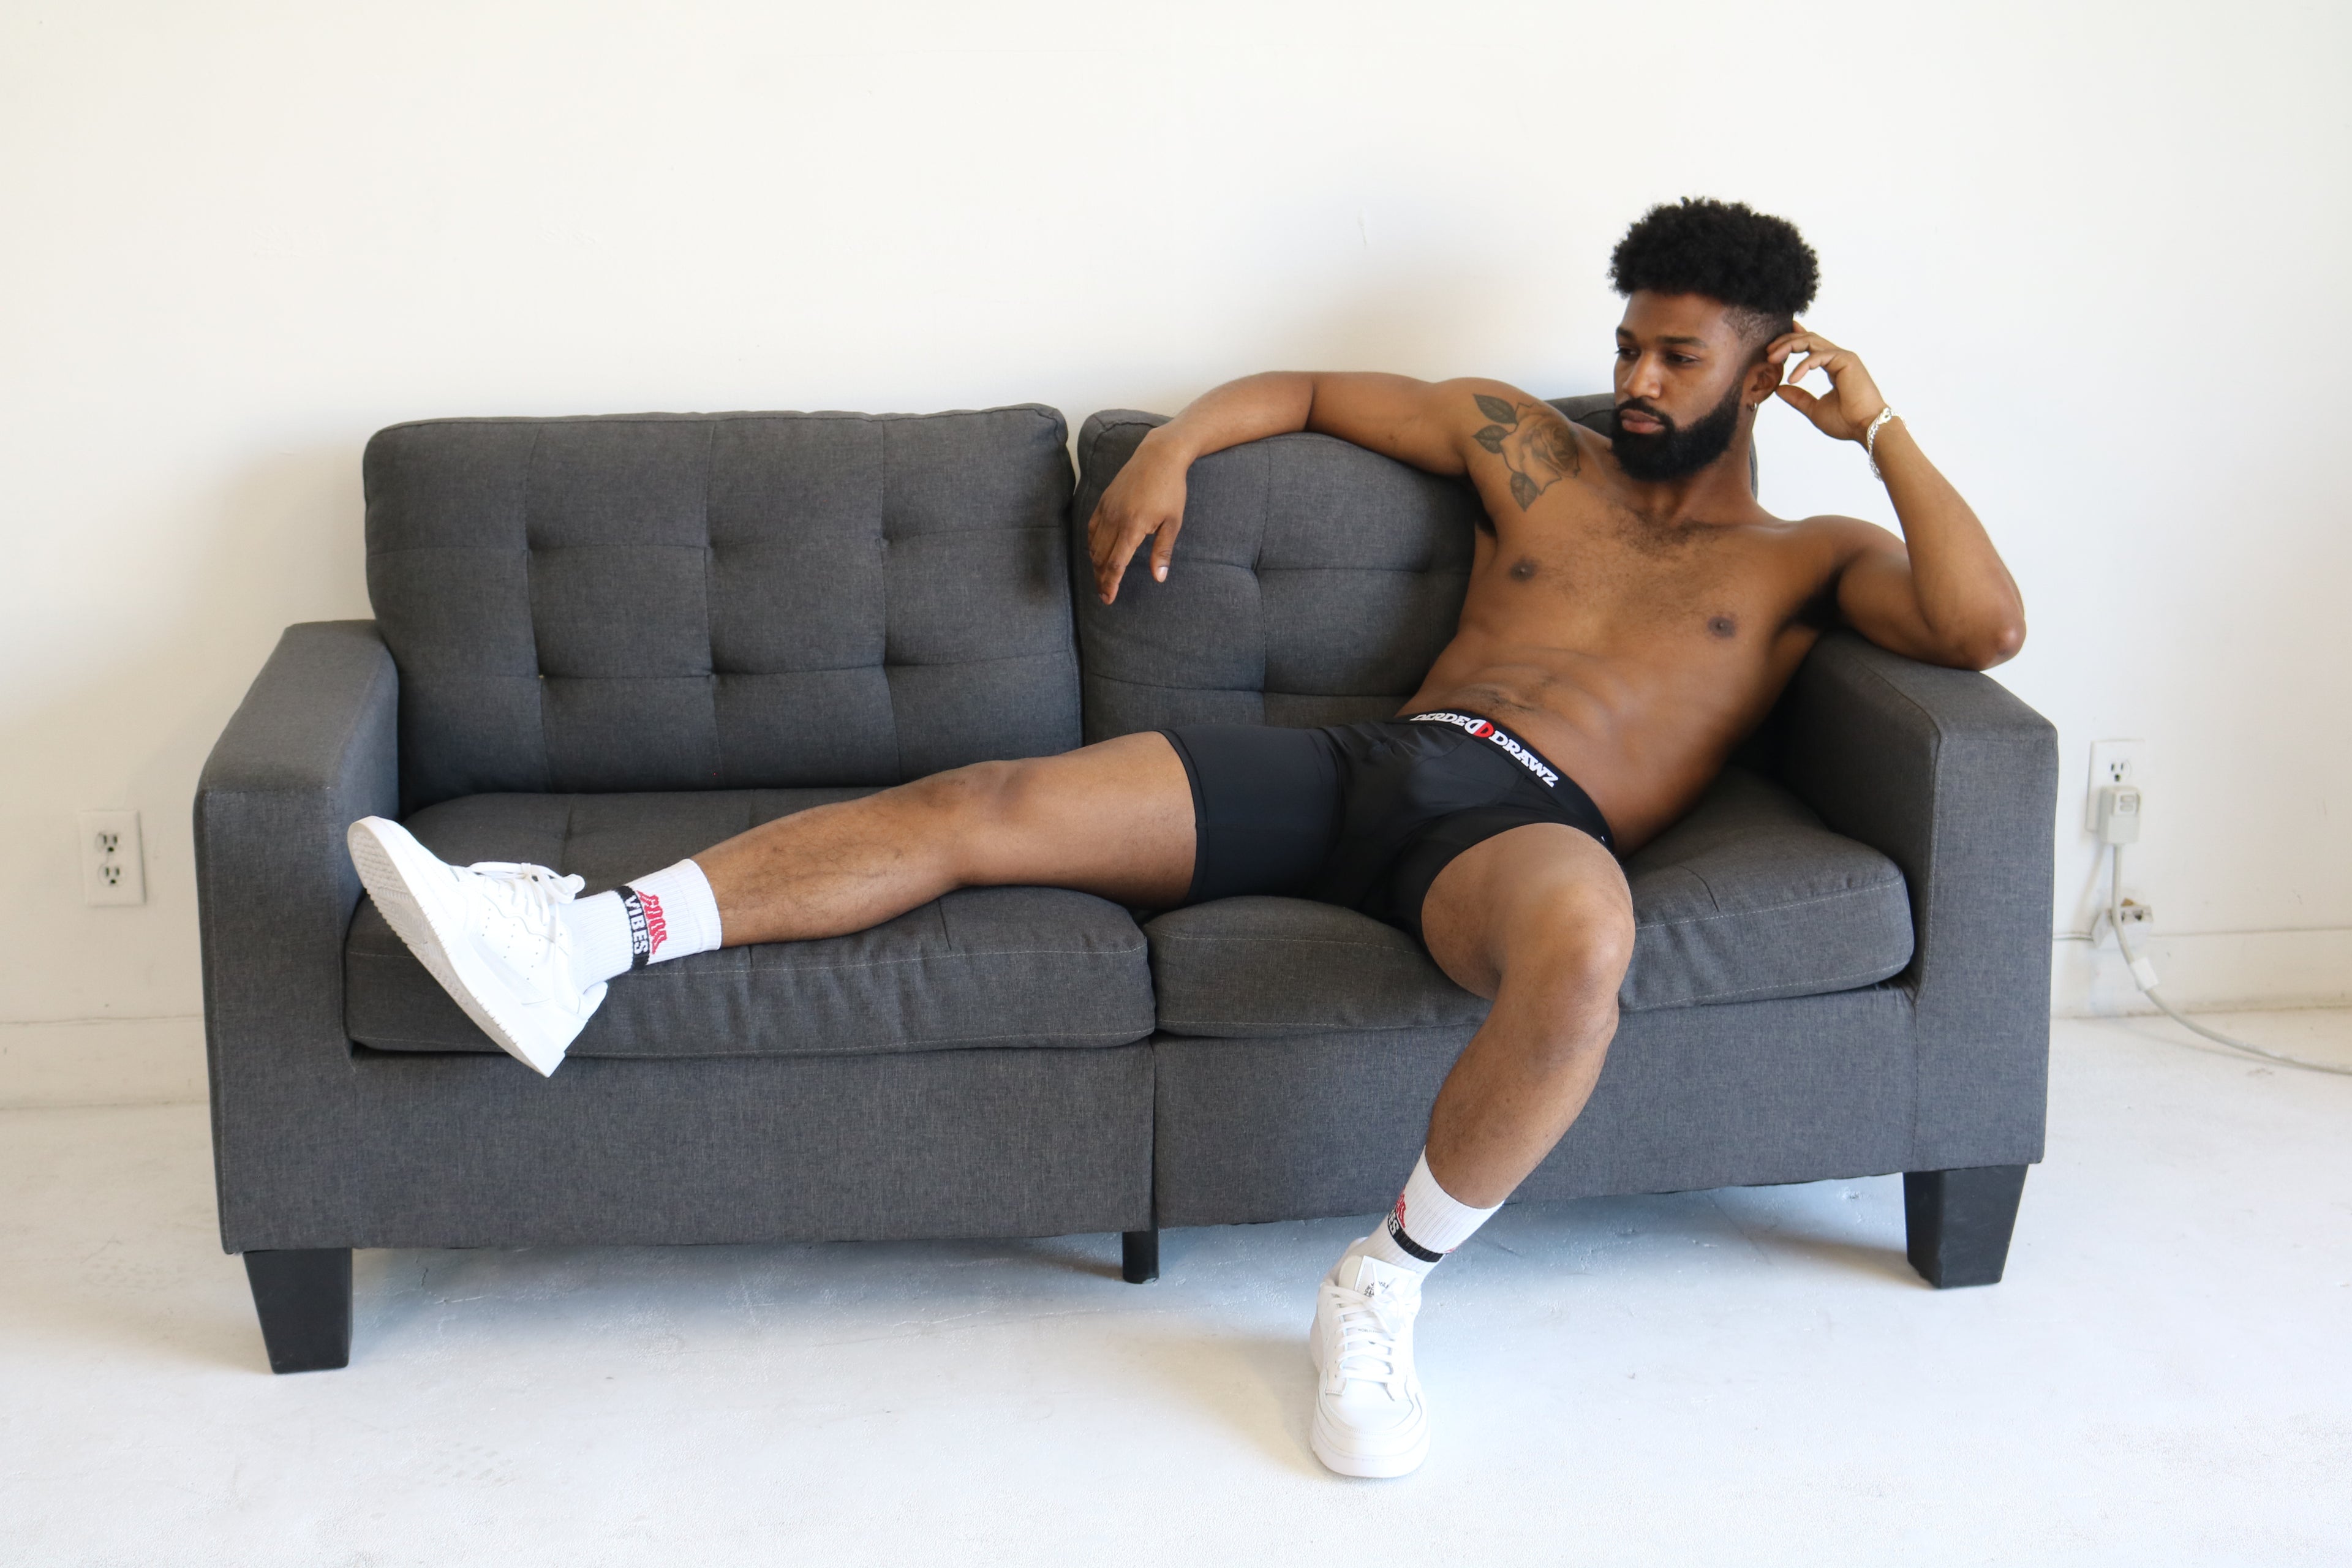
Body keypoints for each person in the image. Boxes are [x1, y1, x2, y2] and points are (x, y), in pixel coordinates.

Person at [346, 197, 2024, 1479]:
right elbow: (1308, 385)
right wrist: (1174, 447)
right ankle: (580, 942)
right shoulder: (1530, 452)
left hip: (1526, 822)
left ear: (1769, 364)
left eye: (1681, 358)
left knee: (1588, 941)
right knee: (986, 802)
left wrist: (1877, 427)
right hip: (1372, 760)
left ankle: (1385, 1283)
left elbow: (1983, 625)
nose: (1640, 382)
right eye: (1634, 345)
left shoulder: (1804, 557)